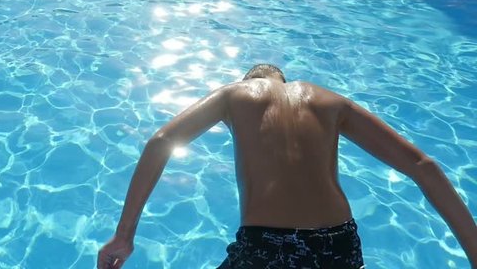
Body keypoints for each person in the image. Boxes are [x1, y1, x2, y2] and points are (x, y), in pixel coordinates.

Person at [97, 64, 477, 269]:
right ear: (284, 79)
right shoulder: (329, 100)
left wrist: (124, 236)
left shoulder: (236, 94)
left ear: (252, 80)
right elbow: (422, 165)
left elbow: (161, 142)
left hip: (267, 248)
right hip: (339, 246)